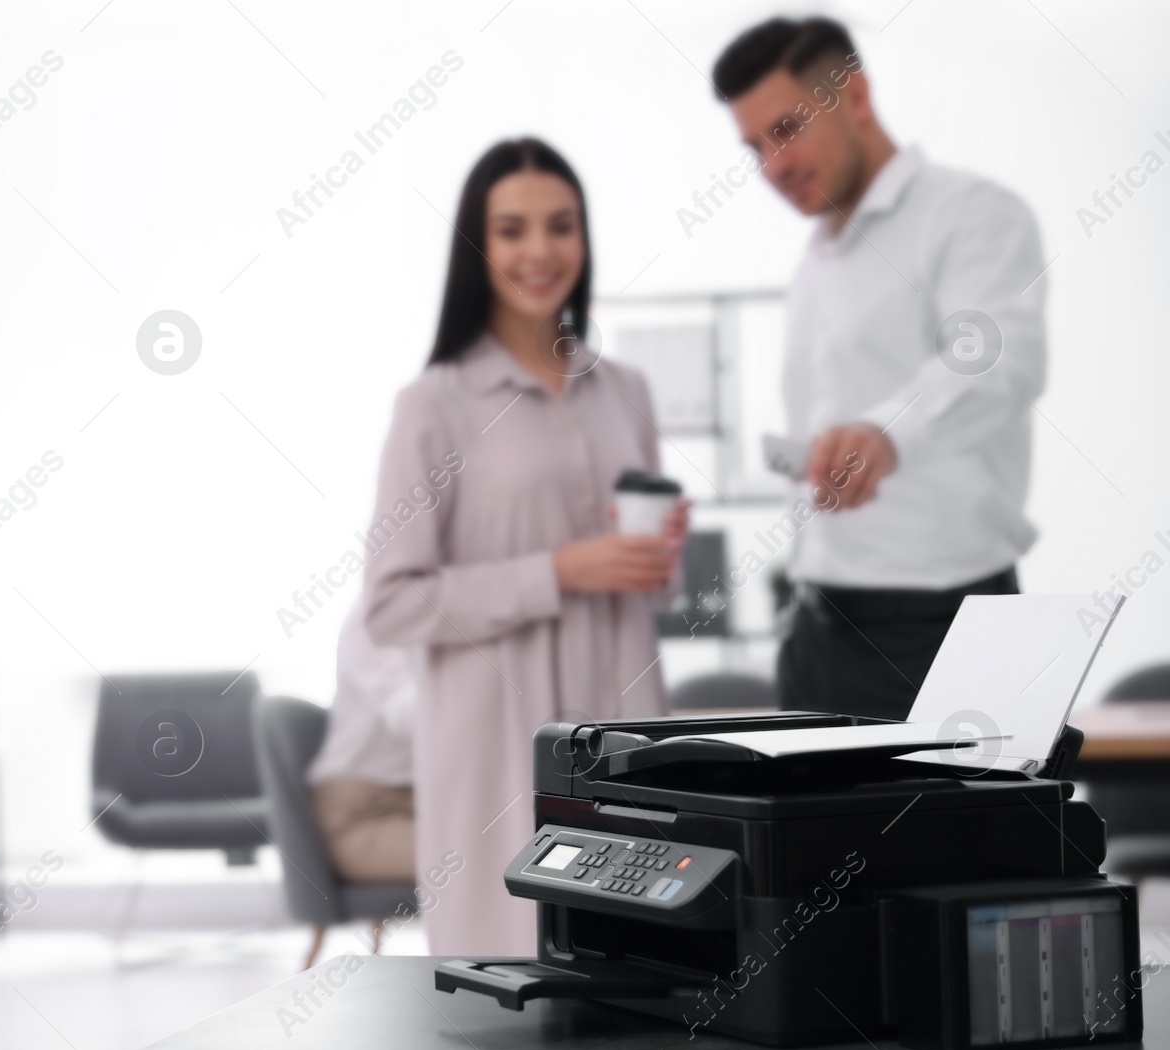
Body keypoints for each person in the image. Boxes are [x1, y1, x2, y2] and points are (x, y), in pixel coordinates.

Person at [363, 138, 689, 956]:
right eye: (511, 230)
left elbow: (654, 591)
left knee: (639, 966)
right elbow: (391, 603)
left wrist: (658, 560)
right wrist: (558, 571)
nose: (540, 251)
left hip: (623, 726)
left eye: (561, 226)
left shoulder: (626, 391)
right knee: (508, 978)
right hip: (493, 740)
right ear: (478, 248)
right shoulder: (432, 404)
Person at [711, 17, 1045, 721]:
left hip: (946, 631)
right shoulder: (817, 261)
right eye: (754, 147)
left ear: (854, 95)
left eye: (788, 128)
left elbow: (994, 361)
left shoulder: (971, 214)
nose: (772, 165)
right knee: (816, 838)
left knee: (970, 834)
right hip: (816, 632)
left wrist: (885, 434)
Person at [308, 596, 416, 885]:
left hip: (418, 805)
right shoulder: (372, 617)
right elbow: (407, 714)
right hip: (362, 814)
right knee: (486, 858)